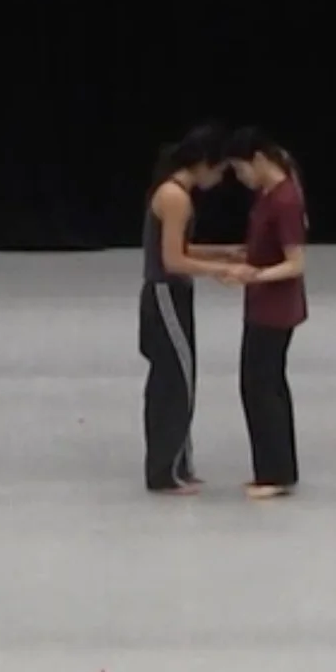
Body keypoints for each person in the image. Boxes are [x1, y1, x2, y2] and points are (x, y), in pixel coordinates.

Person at [140, 124, 241, 495]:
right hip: (166, 293)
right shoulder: (175, 196)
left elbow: (181, 249)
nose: (219, 178)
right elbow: (173, 260)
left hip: (174, 293)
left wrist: (221, 252)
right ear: (204, 163)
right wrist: (222, 270)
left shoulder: (175, 191)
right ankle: (164, 471)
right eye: (219, 169)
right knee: (173, 382)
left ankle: (178, 464)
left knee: (181, 379)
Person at [221, 127, 307, 498]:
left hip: (274, 308)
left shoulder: (285, 200)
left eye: (241, 170)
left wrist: (252, 275)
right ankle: (274, 469)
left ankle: (275, 474)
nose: (241, 178)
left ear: (258, 159)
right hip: (262, 304)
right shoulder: (269, 194)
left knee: (261, 386)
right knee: (264, 384)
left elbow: (296, 263)